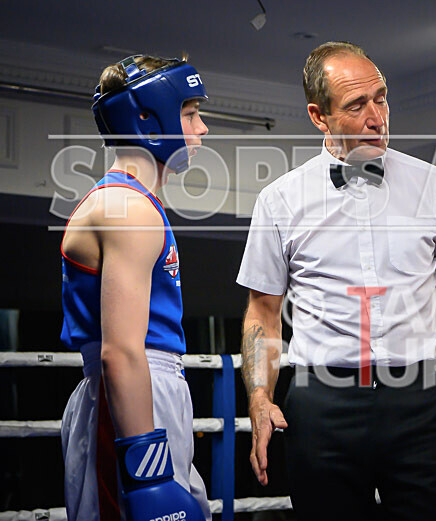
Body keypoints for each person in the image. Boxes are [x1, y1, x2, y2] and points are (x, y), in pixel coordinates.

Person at [237, 41, 436, 521]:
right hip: (321, 405)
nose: (377, 116)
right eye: (357, 106)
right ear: (320, 116)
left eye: (381, 97)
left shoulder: (431, 184)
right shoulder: (280, 200)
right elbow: (263, 312)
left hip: (420, 401)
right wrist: (258, 396)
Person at [60, 55, 211, 521]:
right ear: (147, 118)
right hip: (128, 393)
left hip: (148, 389)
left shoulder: (135, 204)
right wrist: (148, 478)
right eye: (189, 113)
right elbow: (121, 352)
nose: (202, 129)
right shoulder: (128, 208)